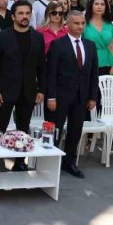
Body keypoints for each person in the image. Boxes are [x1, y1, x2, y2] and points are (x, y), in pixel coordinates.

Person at [0, 0, 46, 172]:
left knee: (23, 128)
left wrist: (42, 89)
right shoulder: (2, 36)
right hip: (5, 91)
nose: (24, 16)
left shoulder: (37, 37)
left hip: (28, 91)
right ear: (13, 16)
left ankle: (20, 161)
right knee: (0, 126)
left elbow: (42, 66)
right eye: (20, 13)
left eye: (27, 13)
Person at [46, 11, 98, 179]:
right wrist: (51, 97)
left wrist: (92, 97)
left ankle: (69, 162)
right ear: (67, 24)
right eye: (76, 23)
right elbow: (51, 73)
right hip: (60, 97)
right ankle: (49, 162)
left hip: (81, 98)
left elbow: (93, 74)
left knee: (75, 131)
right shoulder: (58, 45)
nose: (80, 26)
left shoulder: (90, 46)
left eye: (83, 23)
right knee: (55, 131)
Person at [84, 0, 113, 78]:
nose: (99, 7)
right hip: (88, 62)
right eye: (96, 4)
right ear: (91, 6)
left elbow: (111, 47)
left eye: (102, 4)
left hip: (107, 62)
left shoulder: (109, 25)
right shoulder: (84, 24)